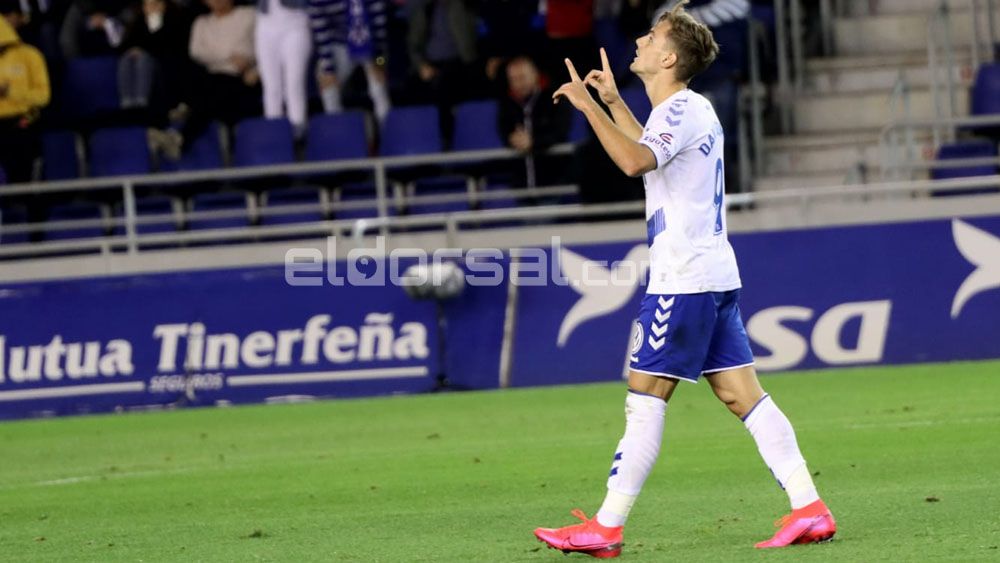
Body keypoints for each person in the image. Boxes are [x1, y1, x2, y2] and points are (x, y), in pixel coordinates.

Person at [533, 1, 835, 557]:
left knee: (644, 397)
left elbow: (632, 163)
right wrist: (613, 102)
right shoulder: (681, 110)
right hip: (712, 273)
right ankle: (809, 507)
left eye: (651, 36)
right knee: (744, 395)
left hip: (683, 280)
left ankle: (606, 525)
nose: (641, 41)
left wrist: (586, 108)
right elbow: (650, 149)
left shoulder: (680, 111)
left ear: (668, 56)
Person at [308, 0, 391, 122]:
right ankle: (338, 128)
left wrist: (380, 62)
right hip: (338, 43)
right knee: (325, 80)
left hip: (369, 43)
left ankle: (387, 128)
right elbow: (321, 30)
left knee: (378, 85)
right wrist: (328, 69)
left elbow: (379, 28)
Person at [497, 56, 570, 187]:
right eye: (513, 79)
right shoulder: (507, 104)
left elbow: (559, 132)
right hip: (520, 183)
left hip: (553, 181)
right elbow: (504, 129)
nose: (518, 84)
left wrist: (534, 141)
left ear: (535, 74)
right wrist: (512, 138)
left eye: (522, 78)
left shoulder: (555, 98)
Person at [0, 4, 49, 184]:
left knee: (25, 165)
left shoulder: (30, 55)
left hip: (23, 121)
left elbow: (43, 97)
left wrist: (10, 91)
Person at [256, 0, 311, 138]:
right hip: (265, 24)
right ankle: (273, 130)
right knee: (271, 86)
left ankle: (298, 127)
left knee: (293, 83)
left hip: (295, 22)